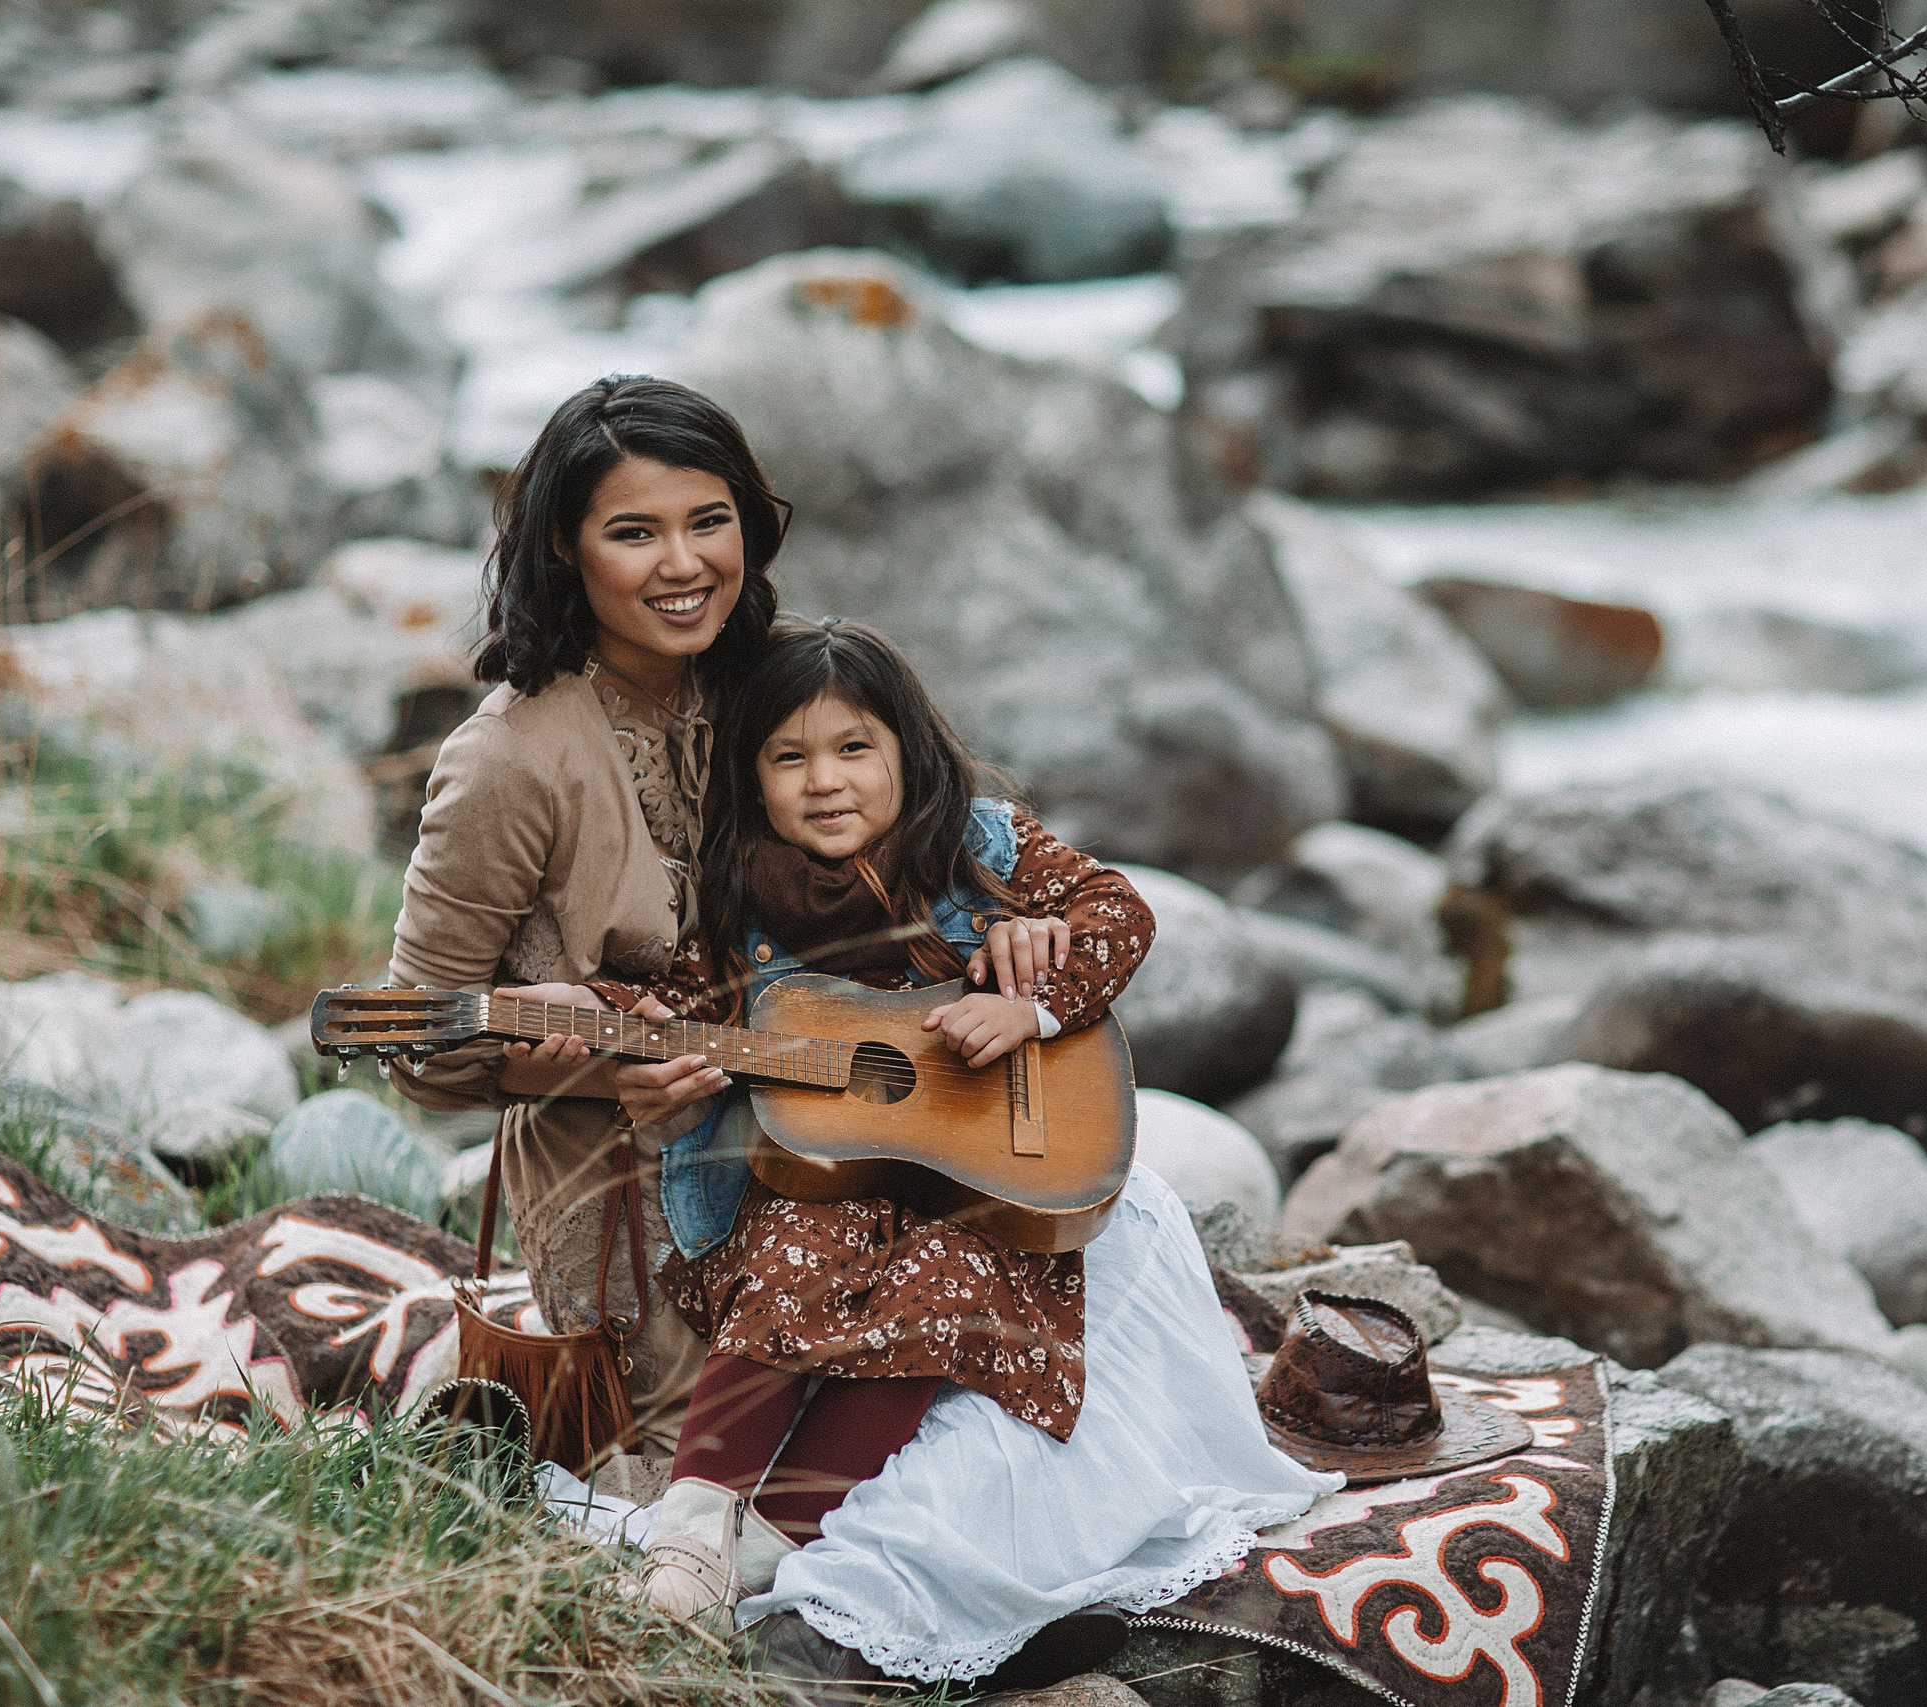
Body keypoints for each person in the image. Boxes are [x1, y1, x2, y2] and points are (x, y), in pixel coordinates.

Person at [626, 617, 1337, 1690]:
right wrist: (637, 1062)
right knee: (798, 1243)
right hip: (810, 1187)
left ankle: (781, 1525)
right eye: (788, 756)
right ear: (748, 776)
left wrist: (1033, 1008)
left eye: (853, 747)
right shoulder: (730, 896)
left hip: (978, 1181)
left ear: (907, 750)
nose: (825, 781)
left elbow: (1117, 910)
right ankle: (693, 1521)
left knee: (957, 1291)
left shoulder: (979, 843)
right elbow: (665, 1013)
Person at [387, 375, 790, 1462]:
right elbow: (417, 1045)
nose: (683, 564)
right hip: (626, 1185)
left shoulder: (791, 686)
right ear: (565, 548)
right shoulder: (508, 758)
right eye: (633, 532)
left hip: (824, 1133)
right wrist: (591, 1068)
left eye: (710, 521)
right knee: (760, 1478)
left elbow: (939, 860)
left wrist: (1013, 935)